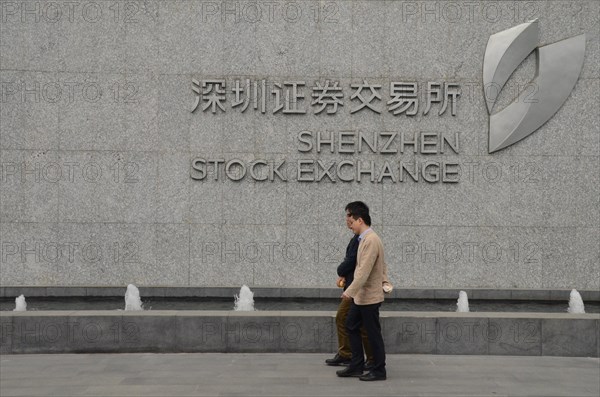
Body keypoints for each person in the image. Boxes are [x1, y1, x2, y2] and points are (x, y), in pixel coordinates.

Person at [336, 205, 387, 381]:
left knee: (373, 333)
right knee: (351, 324)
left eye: (352, 222)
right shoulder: (364, 239)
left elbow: (363, 272)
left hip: (369, 296)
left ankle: (379, 370)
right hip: (361, 296)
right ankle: (356, 366)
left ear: (360, 220)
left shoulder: (371, 240)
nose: (350, 225)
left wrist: (349, 292)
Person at [325, 201, 374, 368]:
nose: (347, 220)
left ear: (359, 218)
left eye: (349, 216)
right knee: (354, 322)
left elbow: (354, 262)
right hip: (353, 287)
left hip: (358, 290)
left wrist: (342, 271)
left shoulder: (366, 239)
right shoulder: (358, 238)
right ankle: (354, 356)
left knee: (356, 323)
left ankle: (365, 359)